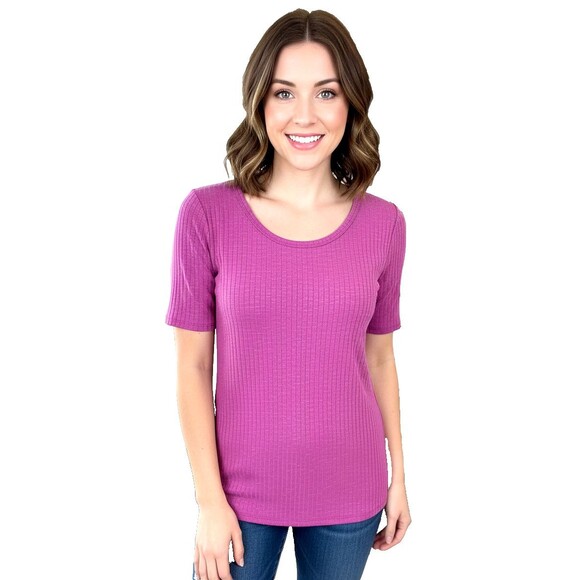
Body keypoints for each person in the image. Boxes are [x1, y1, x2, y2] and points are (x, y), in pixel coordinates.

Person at [165, 8, 412, 580]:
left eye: (326, 92)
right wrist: (209, 502)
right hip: (238, 497)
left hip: (351, 490)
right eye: (284, 92)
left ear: (351, 103)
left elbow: (380, 357)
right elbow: (192, 366)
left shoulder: (385, 224)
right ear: (260, 102)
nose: (305, 115)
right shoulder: (207, 214)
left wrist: (398, 474)